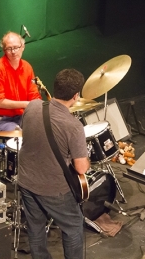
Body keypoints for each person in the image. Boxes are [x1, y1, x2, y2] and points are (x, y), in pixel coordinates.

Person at [18, 68, 90, 259]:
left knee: (35, 229)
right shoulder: (73, 126)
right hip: (53, 189)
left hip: (26, 180)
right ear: (76, 96)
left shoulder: (32, 106)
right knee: (74, 227)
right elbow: (81, 167)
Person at [0, 31, 41, 131]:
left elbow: (34, 95)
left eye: (16, 47)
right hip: (1, 119)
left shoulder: (27, 67)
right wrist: (26, 104)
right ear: (4, 50)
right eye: (9, 48)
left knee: (42, 126)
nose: (13, 52)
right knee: (18, 133)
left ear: (23, 47)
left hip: (22, 116)